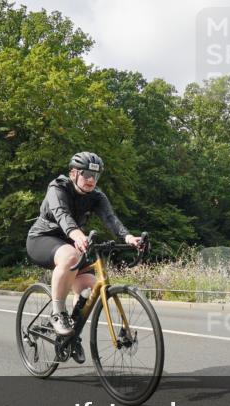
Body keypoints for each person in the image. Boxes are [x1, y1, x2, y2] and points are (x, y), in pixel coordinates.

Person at [26, 152, 143, 357]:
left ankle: (71, 336)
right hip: (42, 239)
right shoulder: (58, 187)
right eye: (86, 174)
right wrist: (77, 234)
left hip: (72, 243)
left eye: (95, 176)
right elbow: (62, 214)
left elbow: (110, 218)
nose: (91, 180)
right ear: (73, 173)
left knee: (90, 287)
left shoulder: (96, 196)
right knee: (70, 255)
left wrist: (128, 238)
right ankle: (57, 313)